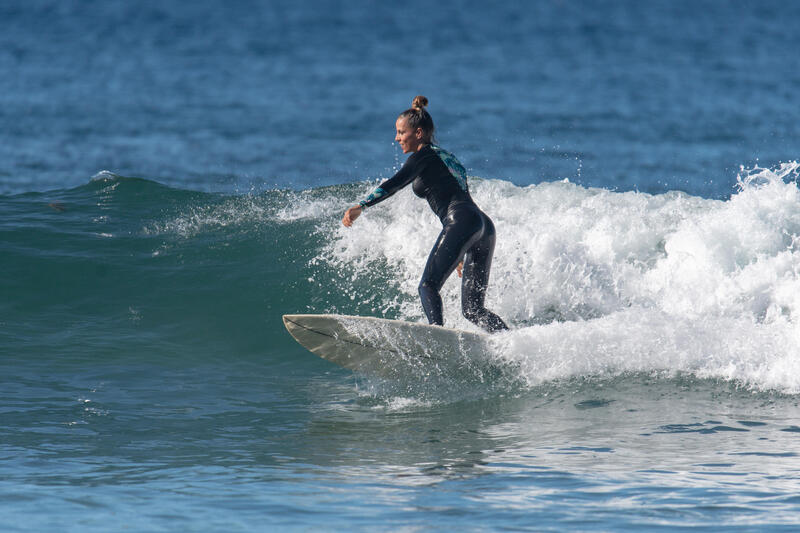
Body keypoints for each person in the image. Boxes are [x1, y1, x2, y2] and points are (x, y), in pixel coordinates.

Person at [342, 96, 508, 333]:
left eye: (401, 132)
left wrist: (362, 206)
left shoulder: (422, 156)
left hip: (462, 221)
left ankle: (437, 336)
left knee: (427, 286)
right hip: (483, 226)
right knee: (473, 310)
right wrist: (462, 248)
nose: (397, 138)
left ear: (418, 133)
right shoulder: (446, 157)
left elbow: (396, 183)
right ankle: (512, 342)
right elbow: (459, 195)